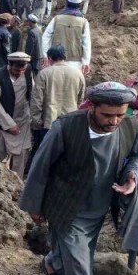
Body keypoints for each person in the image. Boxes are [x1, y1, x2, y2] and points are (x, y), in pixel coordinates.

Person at [19, 82, 138, 275]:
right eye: (107, 115)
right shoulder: (66, 126)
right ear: (92, 107)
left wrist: (134, 175)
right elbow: (41, 165)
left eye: (120, 115)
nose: (114, 121)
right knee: (81, 267)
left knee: (78, 254)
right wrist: (34, 204)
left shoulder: (130, 126)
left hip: (99, 207)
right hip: (66, 206)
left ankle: (52, 264)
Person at [28, 44, 86, 176]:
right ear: (64, 57)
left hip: (48, 122)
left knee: (44, 155)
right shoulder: (78, 73)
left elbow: (37, 101)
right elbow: (80, 99)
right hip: (70, 122)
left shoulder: (44, 74)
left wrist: (36, 121)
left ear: (49, 58)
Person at [0, 51, 33, 179]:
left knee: (22, 152)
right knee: (1, 152)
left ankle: (16, 181)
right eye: (16, 69)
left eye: (22, 70)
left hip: (23, 119)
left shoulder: (28, 72)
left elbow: (32, 91)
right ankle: (0, 180)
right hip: (2, 121)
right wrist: (9, 124)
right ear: (9, 64)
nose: (19, 72)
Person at [42, 0, 91, 75]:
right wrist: (86, 61)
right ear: (79, 5)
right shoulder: (83, 22)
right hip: (75, 62)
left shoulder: (56, 19)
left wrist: (46, 55)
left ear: (67, 3)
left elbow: (45, 37)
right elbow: (86, 43)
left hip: (56, 60)